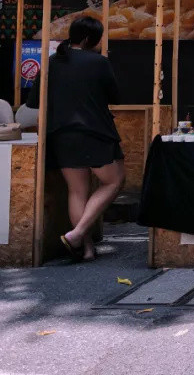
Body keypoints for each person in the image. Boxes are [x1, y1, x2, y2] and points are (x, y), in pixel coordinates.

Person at [27, 16, 124, 263]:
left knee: (77, 191)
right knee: (114, 182)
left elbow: (33, 102)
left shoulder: (51, 62)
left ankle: (85, 248)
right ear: (91, 39)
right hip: (94, 133)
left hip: (61, 135)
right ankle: (77, 234)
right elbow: (115, 95)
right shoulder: (99, 62)